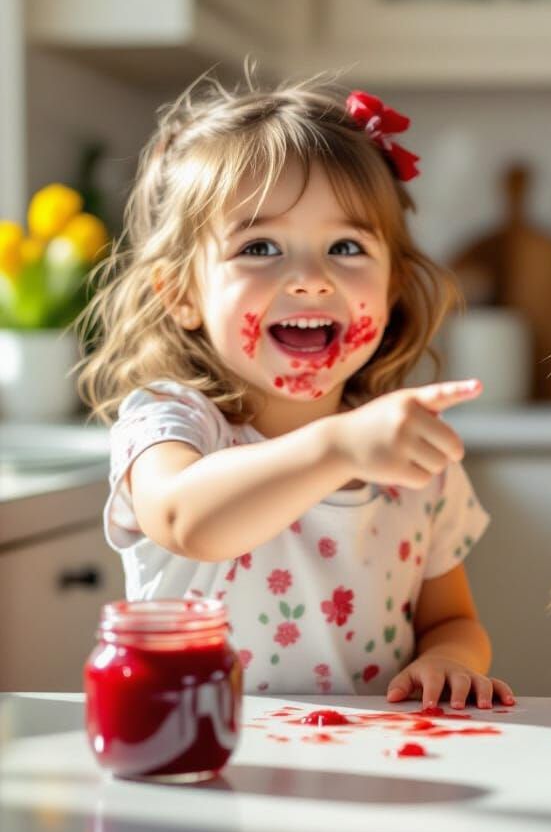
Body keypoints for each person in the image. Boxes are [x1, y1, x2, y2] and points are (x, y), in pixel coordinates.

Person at [78, 72, 514, 708]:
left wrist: (448, 660)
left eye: (345, 246)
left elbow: (451, 622)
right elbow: (183, 520)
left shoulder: (411, 464)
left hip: (367, 768)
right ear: (180, 295)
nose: (310, 280)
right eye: (259, 246)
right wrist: (336, 447)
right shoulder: (173, 422)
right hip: (193, 759)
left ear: (390, 290)